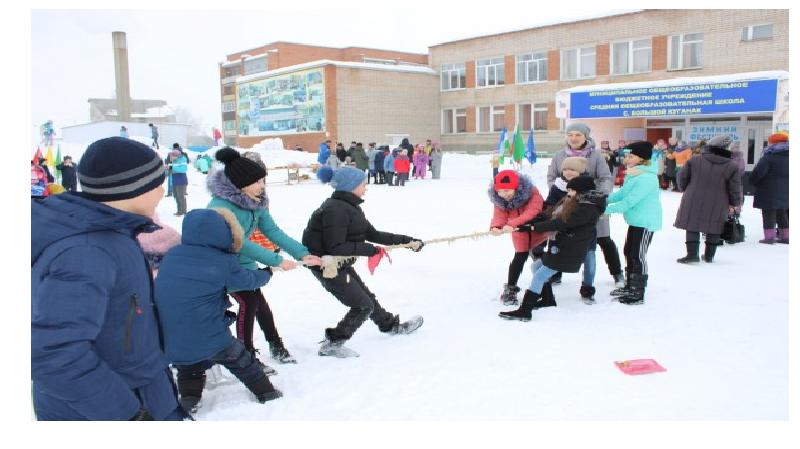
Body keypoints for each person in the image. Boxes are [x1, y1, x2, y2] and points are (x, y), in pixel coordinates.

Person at [31, 137, 183, 420]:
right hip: (110, 408)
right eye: (157, 183)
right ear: (133, 190)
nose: (163, 190)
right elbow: (55, 355)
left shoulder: (112, 232)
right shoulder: (87, 251)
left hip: (143, 393)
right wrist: (129, 415)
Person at [154, 209, 282, 413]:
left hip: (170, 338)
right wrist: (265, 273)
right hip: (211, 334)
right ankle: (267, 392)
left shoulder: (172, 255)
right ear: (224, 233)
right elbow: (246, 281)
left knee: (188, 366)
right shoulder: (222, 261)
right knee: (241, 361)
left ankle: (189, 399)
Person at [207, 147, 322, 366]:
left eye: (263, 181)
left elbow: (273, 232)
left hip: (243, 263)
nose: (262, 186)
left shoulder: (257, 203)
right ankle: (246, 355)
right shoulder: (220, 207)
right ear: (240, 184)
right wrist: (276, 260)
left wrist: (303, 254)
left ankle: (275, 345)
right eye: (257, 182)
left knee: (259, 305)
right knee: (249, 303)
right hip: (221, 263)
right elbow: (239, 242)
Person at [302, 166, 425, 357]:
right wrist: (370, 250)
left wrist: (407, 241)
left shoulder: (350, 207)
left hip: (340, 263)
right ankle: (333, 343)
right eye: (363, 184)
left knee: (367, 297)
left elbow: (373, 234)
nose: (366, 187)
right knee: (362, 305)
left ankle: (390, 326)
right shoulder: (335, 210)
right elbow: (336, 246)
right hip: (327, 266)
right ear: (350, 186)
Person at [500, 176, 604, 321]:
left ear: (581, 191)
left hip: (570, 250)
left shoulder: (588, 208)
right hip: (560, 247)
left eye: (572, 190)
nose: (569, 193)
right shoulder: (571, 201)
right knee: (536, 267)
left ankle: (525, 310)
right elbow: (549, 215)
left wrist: (532, 227)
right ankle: (548, 299)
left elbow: (560, 223)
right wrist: (528, 223)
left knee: (539, 275)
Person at [546, 123, 623, 292]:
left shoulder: (595, 156)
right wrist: (561, 190)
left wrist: (597, 196)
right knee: (561, 236)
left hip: (591, 205)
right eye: (570, 134)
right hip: (566, 204)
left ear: (585, 137)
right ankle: (556, 272)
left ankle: (617, 273)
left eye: (578, 135)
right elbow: (552, 177)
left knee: (602, 239)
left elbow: (605, 178)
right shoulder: (559, 155)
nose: (573, 138)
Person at [604, 141, 662, 305]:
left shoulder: (646, 178)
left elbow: (629, 201)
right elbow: (622, 194)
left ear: (642, 158)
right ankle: (630, 285)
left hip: (645, 222)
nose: (626, 159)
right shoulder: (635, 173)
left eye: (631, 156)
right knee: (629, 251)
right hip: (636, 221)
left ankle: (637, 292)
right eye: (626, 156)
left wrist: (603, 210)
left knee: (638, 255)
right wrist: (604, 201)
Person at [674, 135, 743, 263]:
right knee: (714, 226)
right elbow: (735, 187)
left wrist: (685, 188)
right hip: (719, 201)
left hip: (693, 197)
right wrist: (735, 203)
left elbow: (682, 177)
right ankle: (709, 256)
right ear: (726, 148)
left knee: (692, 225)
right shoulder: (731, 165)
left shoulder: (695, 160)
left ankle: (692, 255)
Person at [488, 170, 546, 305]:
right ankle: (510, 289)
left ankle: (544, 286)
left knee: (540, 257)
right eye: (500, 191)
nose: (503, 194)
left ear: (517, 187)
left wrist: (512, 224)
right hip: (519, 234)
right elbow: (499, 215)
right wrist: (496, 227)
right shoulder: (500, 200)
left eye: (507, 190)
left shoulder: (532, 193)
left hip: (537, 230)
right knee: (519, 257)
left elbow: (532, 212)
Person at [749, 132, 789, 244]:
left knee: (768, 212)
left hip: (768, 190)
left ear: (773, 143)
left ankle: (769, 237)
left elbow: (758, 173)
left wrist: (753, 181)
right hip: (786, 190)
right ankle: (785, 237)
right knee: (782, 212)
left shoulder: (769, 157)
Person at [168, 144, 189, 216]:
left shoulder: (183, 159)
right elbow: (171, 169)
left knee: (181, 196)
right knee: (176, 196)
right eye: (171, 155)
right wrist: (168, 167)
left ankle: (183, 211)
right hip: (175, 180)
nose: (171, 157)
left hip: (181, 180)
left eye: (173, 155)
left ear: (177, 154)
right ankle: (179, 210)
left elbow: (183, 170)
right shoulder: (173, 160)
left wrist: (172, 167)